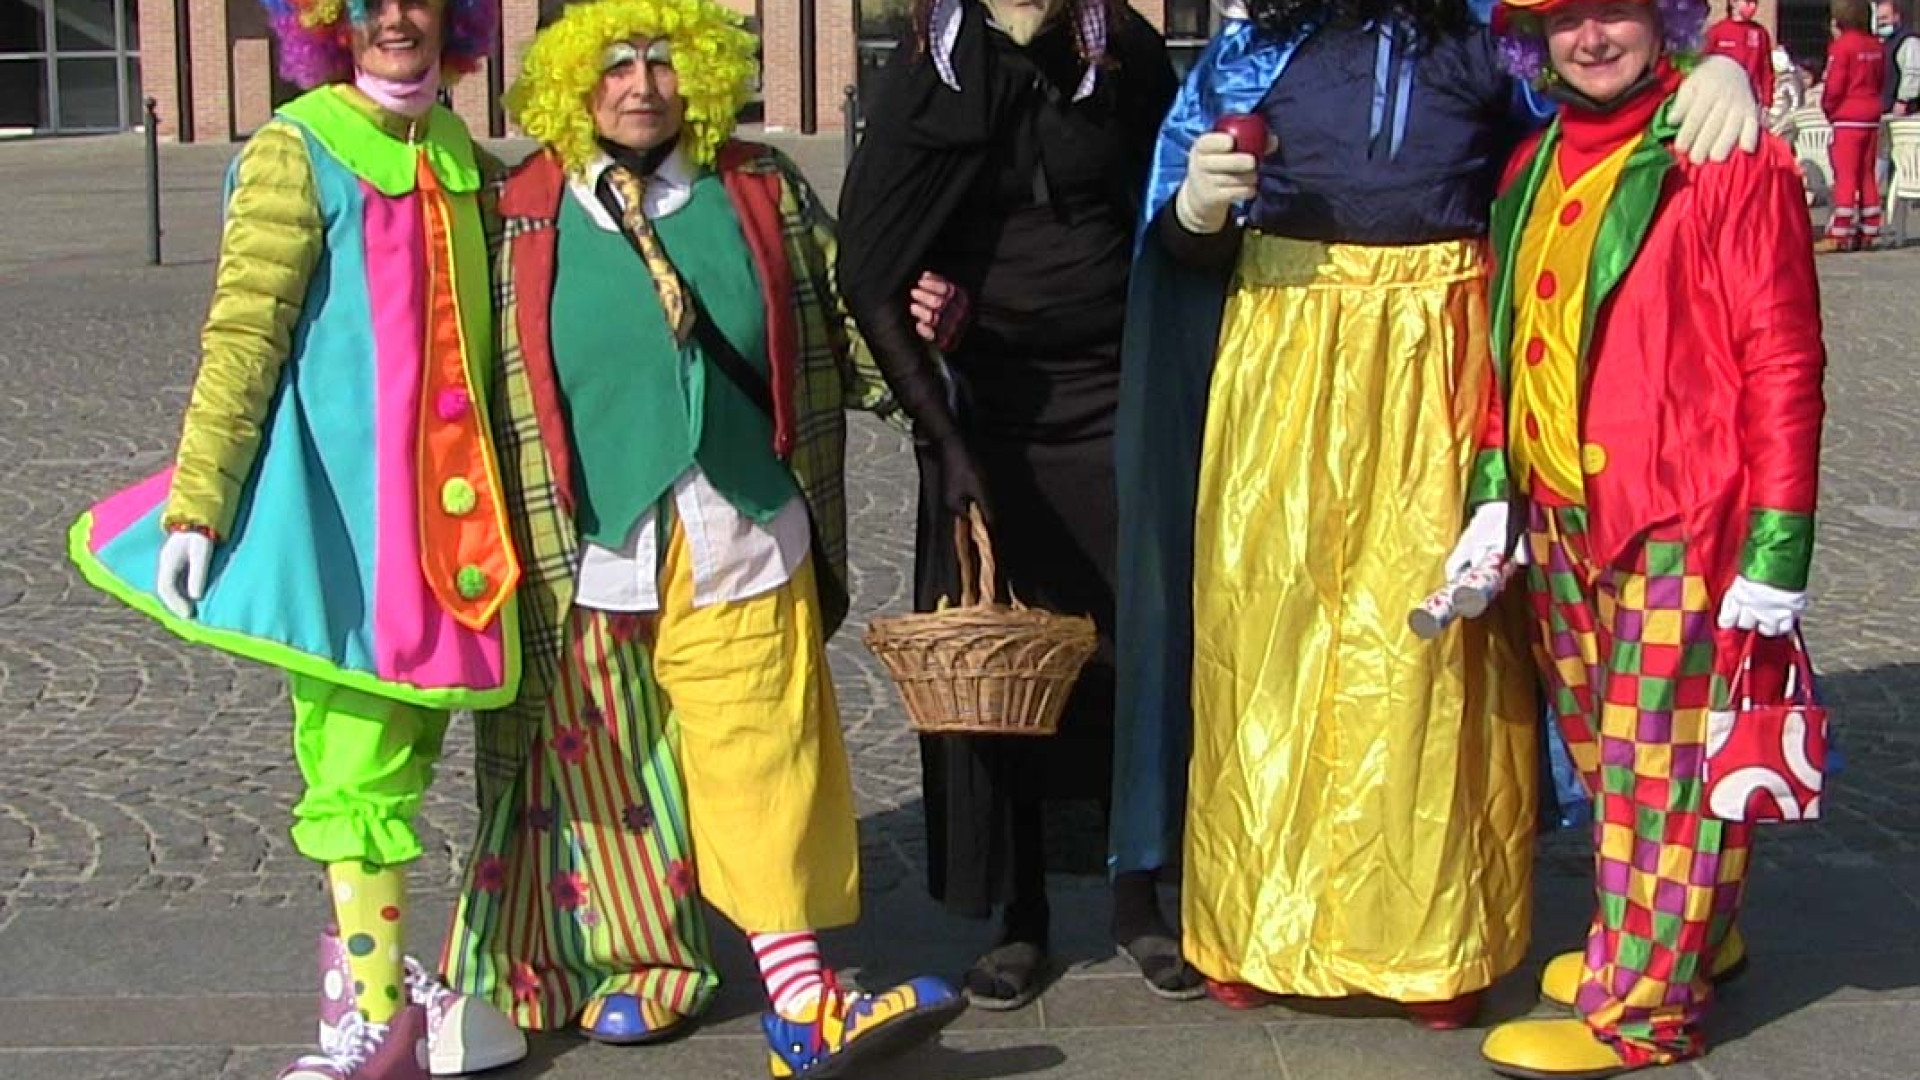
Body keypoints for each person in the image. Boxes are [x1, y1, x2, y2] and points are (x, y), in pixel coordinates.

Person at [1115, 0, 1761, 1028]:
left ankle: (1430, 946)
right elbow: (1177, 248)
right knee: (1266, 644)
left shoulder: (1491, 45)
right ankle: (1254, 928)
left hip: (1440, 374)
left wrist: (1720, 62)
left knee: (1434, 660)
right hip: (1281, 371)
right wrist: (1193, 214)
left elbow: (1607, 107)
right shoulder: (1250, 56)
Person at [437, 1, 967, 1074]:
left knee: (763, 753)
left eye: (665, 62)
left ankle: (802, 1004)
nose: (642, 86)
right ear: (573, 81)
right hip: (582, 546)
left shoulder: (761, 188)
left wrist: (925, 343)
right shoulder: (518, 210)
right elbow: (451, 365)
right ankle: (643, 964)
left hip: (742, 520)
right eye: (616, 65)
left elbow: (845, 321)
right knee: (605, 765)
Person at [67, 0, 530, 1076]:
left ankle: (382, 977)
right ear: (329, 23)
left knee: (408, 748)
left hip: (459, 525)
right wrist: (198, 502)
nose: (397, 18)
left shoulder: (462, 152)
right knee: (355, 758)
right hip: (348, 530)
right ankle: (372, 1013)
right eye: (367, 2)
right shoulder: (298, 149)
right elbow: (243, 333)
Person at [1474, 0, 1825, 1072]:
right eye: (1564, 19)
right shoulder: (1532, 161)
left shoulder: (1724, 157)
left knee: (1656, 771)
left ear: (1660, 17)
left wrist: (1778, 547)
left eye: (1614, 11)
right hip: (1561, 515)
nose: (1590, 39)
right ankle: (1690, 937)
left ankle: (1642, 1012)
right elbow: (1508, 335)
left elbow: (1783, 354)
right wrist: (1495, 490)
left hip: (1678, 512)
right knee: (1604, 752)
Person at [836, 0, 1194, 1009]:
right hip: (990, 413)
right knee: (1002, 663)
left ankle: (1139, 893)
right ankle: (1022, 911)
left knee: (1134, 645)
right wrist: (944, 438)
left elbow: (1166, 206)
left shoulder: (1118, 49)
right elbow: (867, 270)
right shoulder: (934, 68)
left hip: (1119, 389)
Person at [1822, 0, 1887, 250]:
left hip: (1847, 115)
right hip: (1871, 114)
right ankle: (1870, 227)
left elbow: (1835, 85)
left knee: (1846, 174)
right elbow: (1881, 79)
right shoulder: (1876, 45)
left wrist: (1829, 108)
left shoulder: (1842, 46)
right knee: (1867, 173)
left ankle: (1841, 231)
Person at [1706, 0, 1775, 107]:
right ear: (1733, 2)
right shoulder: (1717, 32)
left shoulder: (1760, 33)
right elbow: (1704, 67)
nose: (1753, 6)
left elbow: (1766, 71)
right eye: (1748, 2)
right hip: (1722, 99)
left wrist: (1767, 102)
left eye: (1755, 3)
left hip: (1748, 99)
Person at [1877, 0, 1920, 111]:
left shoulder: (1909, 41)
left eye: (1884, 18)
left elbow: (1912, 73)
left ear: (1896, 17)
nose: (1881, 23)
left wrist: (1903, 100)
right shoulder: (1884, 41)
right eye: (1878, 19)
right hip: (1886, 106)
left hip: (1903, 109)